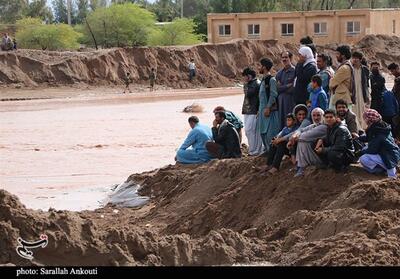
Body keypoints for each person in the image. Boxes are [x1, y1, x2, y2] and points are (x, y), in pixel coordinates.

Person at [359, 109, 400, 179]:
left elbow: (372, 150)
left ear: (369, 120)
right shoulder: (381, 126)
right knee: (365, 150)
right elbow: (370, 138)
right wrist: (359, 138)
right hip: (392, 153)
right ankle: (385, 169)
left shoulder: (377, 130)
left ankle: (384, 171)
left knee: (363, 158)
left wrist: (359, 153)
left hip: (389, 157)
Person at [294, 108, 327, 177]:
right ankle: (300, 165)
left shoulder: (323, 127)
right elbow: (300, 130)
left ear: (323, 116)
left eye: (318, 115)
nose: (316, 118)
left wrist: (294, 137)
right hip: (314, 153)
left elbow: (303, 136)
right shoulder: (313, 126)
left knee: (302, 141)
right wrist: (296, 134)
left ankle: (301, 166)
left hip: (322, 157)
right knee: (301, 141)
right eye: (314, 115)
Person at [257, 58, 280, 154]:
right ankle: (267, 153)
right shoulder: (263, 80)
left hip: (269, 111)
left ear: (264, 67)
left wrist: (268, 107)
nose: (259, 67)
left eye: (260, 65)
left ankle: (273, 155)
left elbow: (273, 94)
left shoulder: (271, 80)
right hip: (262, 111)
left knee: (270, 133)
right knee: (263, 133)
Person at [241, 67, 263, 155]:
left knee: (250, 130)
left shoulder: (255, 84)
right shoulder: (252, 84)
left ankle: (254, 150)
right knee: (249, 131)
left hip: (253, 110)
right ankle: (253, 149)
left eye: (245, 76)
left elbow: (249, 93)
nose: (244, 79)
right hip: (248, 110)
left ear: (249, 76)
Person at [329, 45, 354, 109]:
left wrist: (331, 79)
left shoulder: (344, 68)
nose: (336, 56)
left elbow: (332, 84)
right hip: (341, 98)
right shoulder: (344, 66)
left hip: (341, 99)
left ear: (343, 55)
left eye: (338, 54)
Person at [276, 51, 296, 129]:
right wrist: (287, 86)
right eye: (283, 57)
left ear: (290, 58)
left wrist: (282, 87)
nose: (284, 59)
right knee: (281, 123)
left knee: (291, 122)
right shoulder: (279, 73)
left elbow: (293, 88)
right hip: (281, 102)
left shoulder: (295, 71)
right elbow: (277, 89)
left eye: (286, 57)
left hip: (290, 101)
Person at [351, 51, 371, 129]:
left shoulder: (365, 69)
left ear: (360, 59)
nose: (355, 60)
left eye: (357, 58)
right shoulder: (350, 68)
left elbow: (367, 84)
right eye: (354, 58)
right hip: (353, 92)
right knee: (354, 110)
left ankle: (363, 128)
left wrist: (368, 95)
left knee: (362, 110)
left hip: (362, 93)